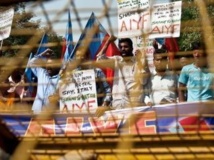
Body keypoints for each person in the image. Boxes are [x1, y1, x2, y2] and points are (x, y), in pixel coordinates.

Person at [97, 37, 150, 109]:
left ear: (131, 48)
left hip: (134, 105)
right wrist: (108, 42)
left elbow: (143, 81)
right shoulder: (117, 60)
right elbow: (99, 60)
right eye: (121, 47)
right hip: (118, 104)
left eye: (126, 47)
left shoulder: (138, 62)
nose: (123, 49)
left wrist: (140, 62)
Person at [28, 48, 61, 113]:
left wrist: (57, 99)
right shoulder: (41, 72)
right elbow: (31, 63)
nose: (49, 67)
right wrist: (42, 54)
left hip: (52, 112)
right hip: (37, 110)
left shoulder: (59, 78)